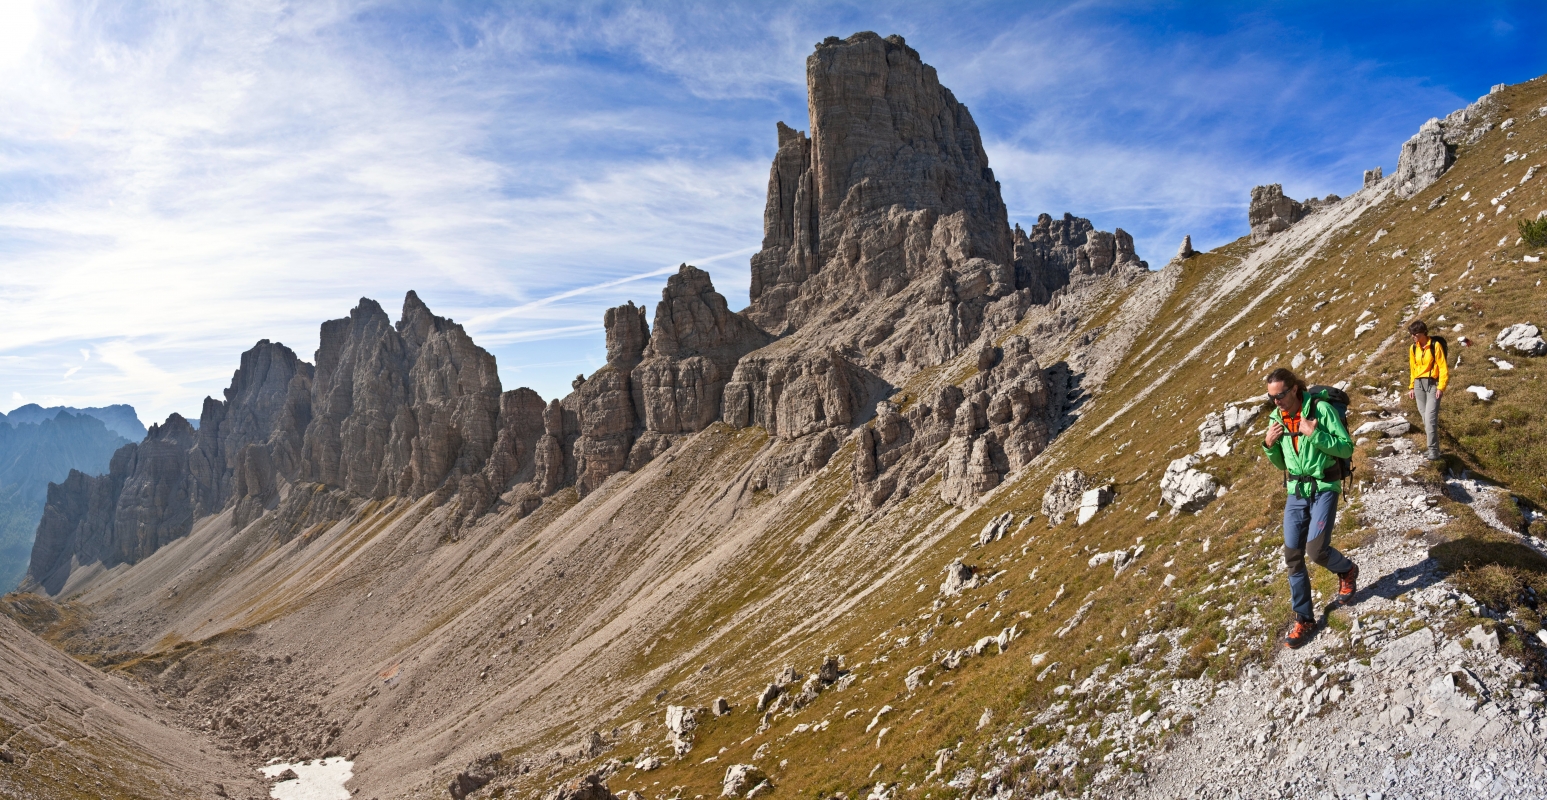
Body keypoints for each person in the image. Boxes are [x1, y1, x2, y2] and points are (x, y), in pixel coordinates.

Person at [1261, 367, 1360, 648]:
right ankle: (1304, 618)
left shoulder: (1322, 410)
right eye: (1271, 398)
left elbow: (1345, 449)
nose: (1276, 402)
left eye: (1280, 395)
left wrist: (1315, 435)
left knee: (1316, 551)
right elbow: (1283, 464)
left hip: (1325, 486)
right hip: (1296, 491)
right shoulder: (1275, 417)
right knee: (1292, 555)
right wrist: (1269, 446)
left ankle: (1347, 570)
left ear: (1293, 389)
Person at [1407, 320, 1448, 461]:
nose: (1413, 336)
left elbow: (1443, 367)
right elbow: (1413, 369)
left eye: (1415, 333)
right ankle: (1433, 449)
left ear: (1423, 332)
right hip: (1418, 385)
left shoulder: (1435, 346)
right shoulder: (1413, 348)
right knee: (1425, 419)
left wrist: (1441, 387)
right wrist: (1411, 386)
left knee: (1430, 419)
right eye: (1411, 334)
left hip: (1432, 385)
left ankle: (1434, 452)